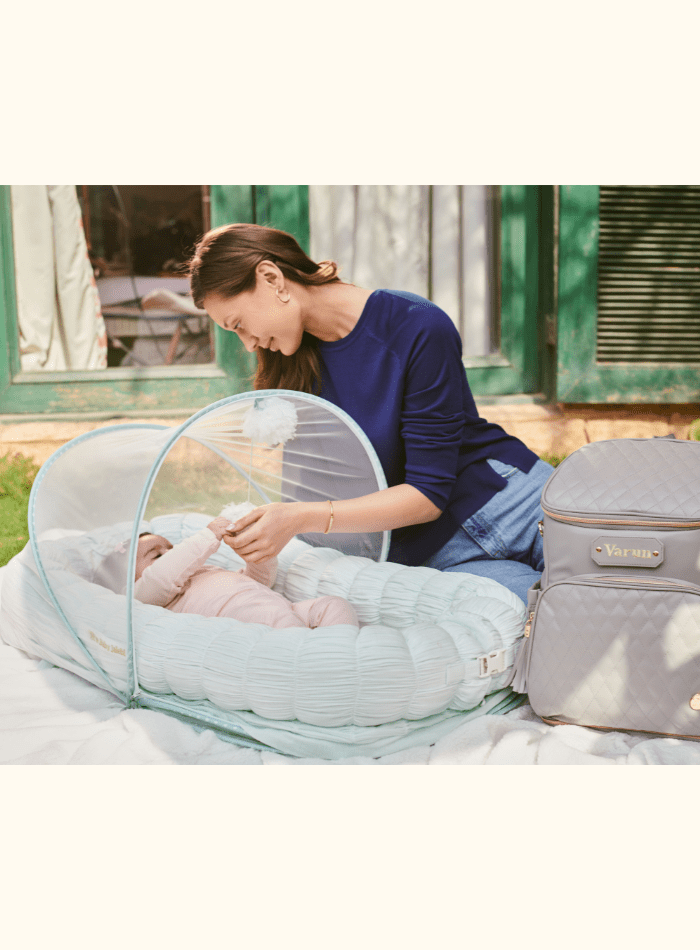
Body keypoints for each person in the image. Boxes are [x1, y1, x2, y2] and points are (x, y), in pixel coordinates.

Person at [188, 223, 553, 604]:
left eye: (239, 325)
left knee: (609, 603)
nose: (247, 344)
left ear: (271, 278)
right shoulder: (291, 369)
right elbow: (313, 498)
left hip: (508, 505)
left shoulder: (416, 325)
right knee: (549, 630)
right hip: (436, 557)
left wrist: (299, 517)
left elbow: (427, 495)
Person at [133, 516, 359, 629]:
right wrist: (207, 537)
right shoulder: (143, 596)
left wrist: (257, 553)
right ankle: (325, 664)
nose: (170, 553)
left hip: (284, 608)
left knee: (334, 605)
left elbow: (260, 581)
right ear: (129, 577)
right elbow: (162, 575)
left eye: (171, 548)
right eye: (157, 555)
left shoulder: (206, 572)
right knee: (279, 622)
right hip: (251, 623)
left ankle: (342, 652)